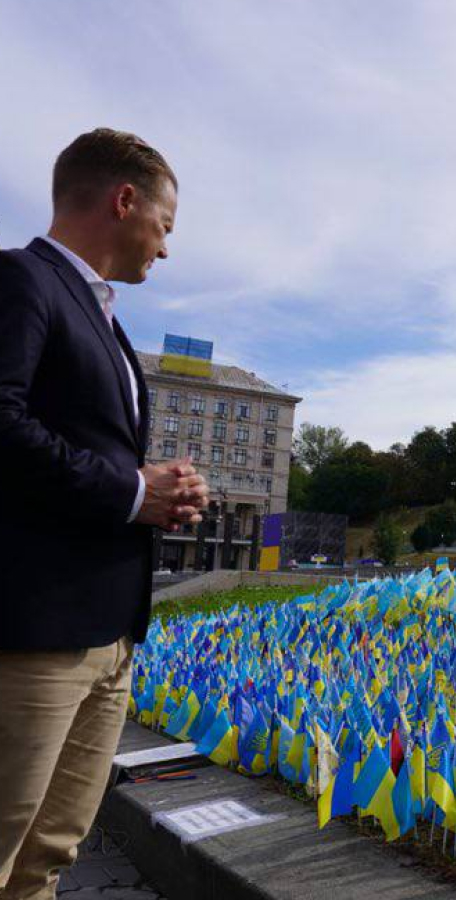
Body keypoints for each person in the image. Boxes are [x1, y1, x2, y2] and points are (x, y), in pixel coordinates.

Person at [0, 128, 209, 899]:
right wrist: (131, 490)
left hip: (107, 634)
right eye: (165, 225)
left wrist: (157, 497)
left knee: (47, 857)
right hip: (33, 636)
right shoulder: (22, 279)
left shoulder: (109, 323)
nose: (165, 247)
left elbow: (82, 453)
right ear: (125, 200)